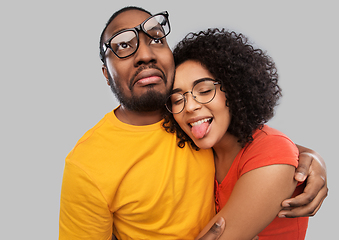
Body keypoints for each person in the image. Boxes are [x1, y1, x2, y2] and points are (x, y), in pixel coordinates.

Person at [59, 6, 327, 240]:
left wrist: (308, 157)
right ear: (106, 73)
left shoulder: (192, 124)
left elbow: (267, 150)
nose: (145, 54)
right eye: (124, 45)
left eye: (155, 39)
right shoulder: (88, 164)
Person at [163, 28, 322, 239]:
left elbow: (276, 151)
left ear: (234, 88)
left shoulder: (271, 151)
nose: (190, 106)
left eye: (204, 91)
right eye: (177, 99)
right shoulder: (201, 154)